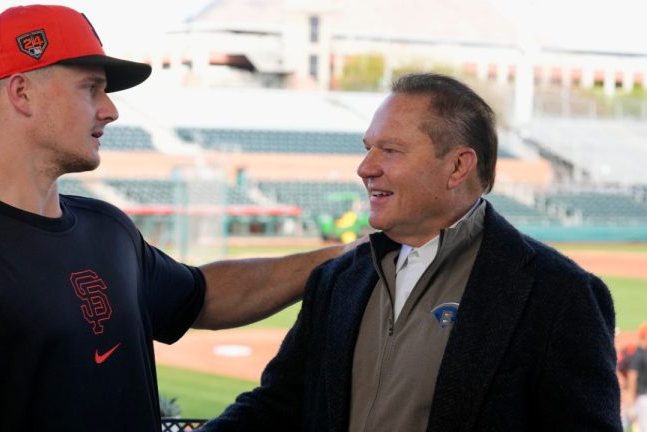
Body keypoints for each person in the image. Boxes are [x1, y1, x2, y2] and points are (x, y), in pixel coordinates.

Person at [0, 5, 354, 432]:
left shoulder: (108, 228)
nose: (111, 111)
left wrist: (337, 259)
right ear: (22, 93)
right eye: (92, 89)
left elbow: (204, 297)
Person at [200, 73, 621, 431]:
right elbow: (278, 406)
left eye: (390, 150)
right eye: (368, 148)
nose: (365, 167)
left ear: (458, 167)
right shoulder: (340, 279)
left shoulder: (560, 295)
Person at [626, 322, 647, 431]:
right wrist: (631, 395)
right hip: (638, 398)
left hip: (641, 398)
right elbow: (632, 376)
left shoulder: (643, 354)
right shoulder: (638, 355)